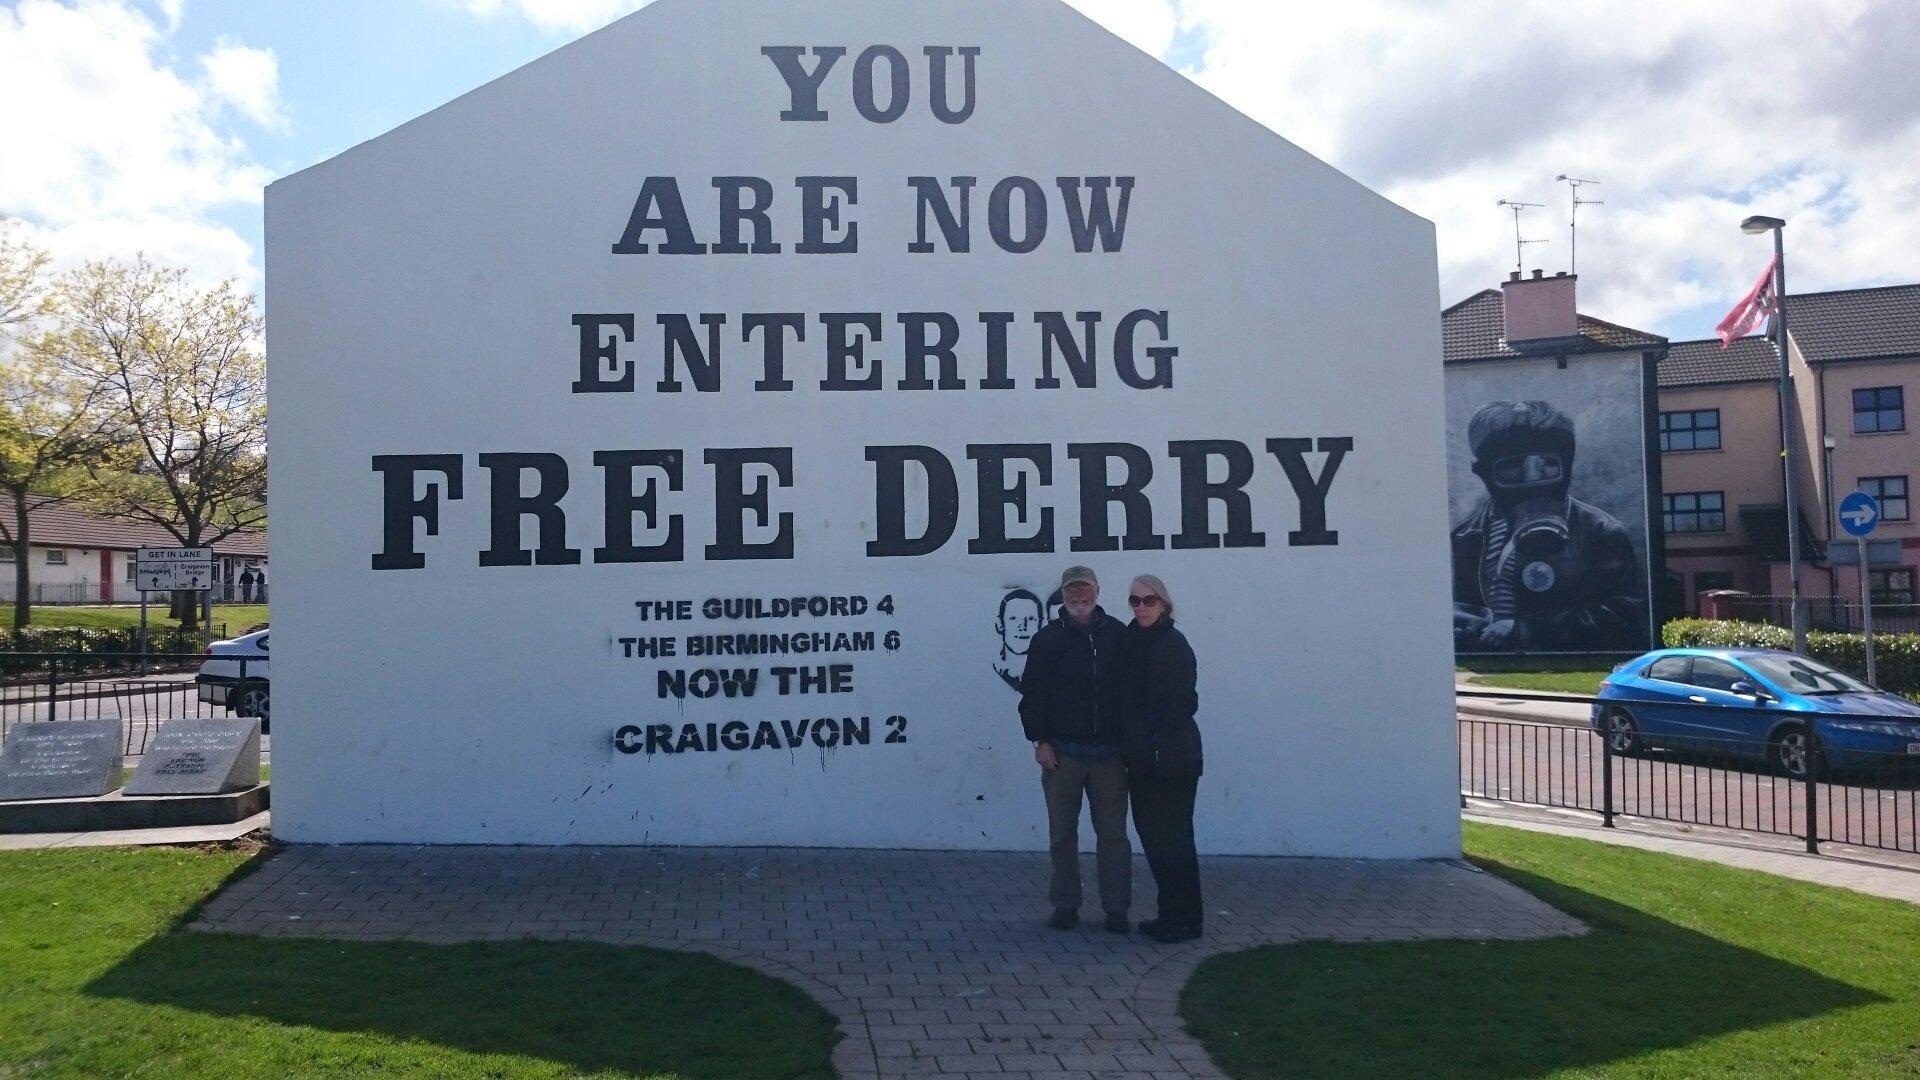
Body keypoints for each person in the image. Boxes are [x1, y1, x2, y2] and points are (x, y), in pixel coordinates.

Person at [1451, 400, 1643, 652]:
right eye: (1513, 465)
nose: (1533, 477)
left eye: (1547, 463)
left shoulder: (1601, 533)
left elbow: (1625, 614)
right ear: (1484, 472)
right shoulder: (1465, 539)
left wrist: (1526, 630)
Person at [1018, 565, 1130, 932]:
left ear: (1098, 591)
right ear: (1063, 595)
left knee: (1113, 834)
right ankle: (1065, 904)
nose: (1079, 597)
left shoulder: (1118, 635)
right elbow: (1032, 695)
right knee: (1062, 834)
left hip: (1110, 755)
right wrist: (1039, 740)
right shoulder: (1047, 639)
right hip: (1061, 754)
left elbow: (1136, 692)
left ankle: (1116, 909)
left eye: (1085, 590)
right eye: (1072, 591)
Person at [1119, 573, 1203, 943]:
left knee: (1174, 840)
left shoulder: (1173, 644)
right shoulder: (1132, 641)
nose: (1141, 607)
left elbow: (1183, 703)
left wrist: (1152, 737)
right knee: (1155, 838)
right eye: (1135, 601)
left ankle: (1186, 920)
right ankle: (1171, 913)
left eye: (1148, 600)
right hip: (1142, 759)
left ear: (1164, 603)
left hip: (1170, 759)